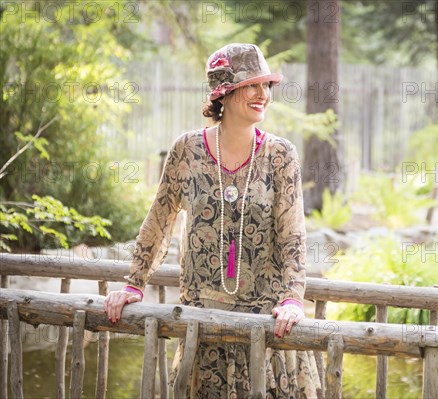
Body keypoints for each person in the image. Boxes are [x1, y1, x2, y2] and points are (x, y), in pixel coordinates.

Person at [103, 43, 320, 398]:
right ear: (225, 92)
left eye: (266, 86)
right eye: (252, 85)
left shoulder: (281, 155)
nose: (262, 94)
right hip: (201, 325)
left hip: (266, 326)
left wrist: (293, 299)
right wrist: (134, 283)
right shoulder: (186, 151)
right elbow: (159, 219)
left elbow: (293, 234)